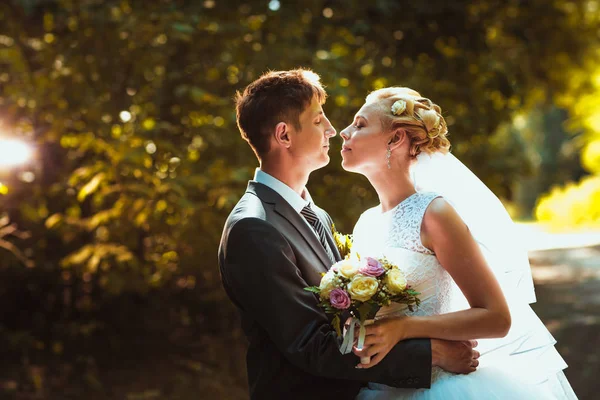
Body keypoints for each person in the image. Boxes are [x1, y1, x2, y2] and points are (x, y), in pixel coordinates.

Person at [218, 70, 480, 400]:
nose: (332, 129)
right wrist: (433, 356)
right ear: (284, 136)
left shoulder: (319, 216)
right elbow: (311, 345)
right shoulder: (254, 228)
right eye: (317, 120)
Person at [340, 87, 578, 399]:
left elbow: (496, 317)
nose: (344, 132)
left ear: (396, 139)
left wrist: (404, 327)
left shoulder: (433, 213)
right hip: (383, 385)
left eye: (359, 124)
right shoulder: (365, 222)